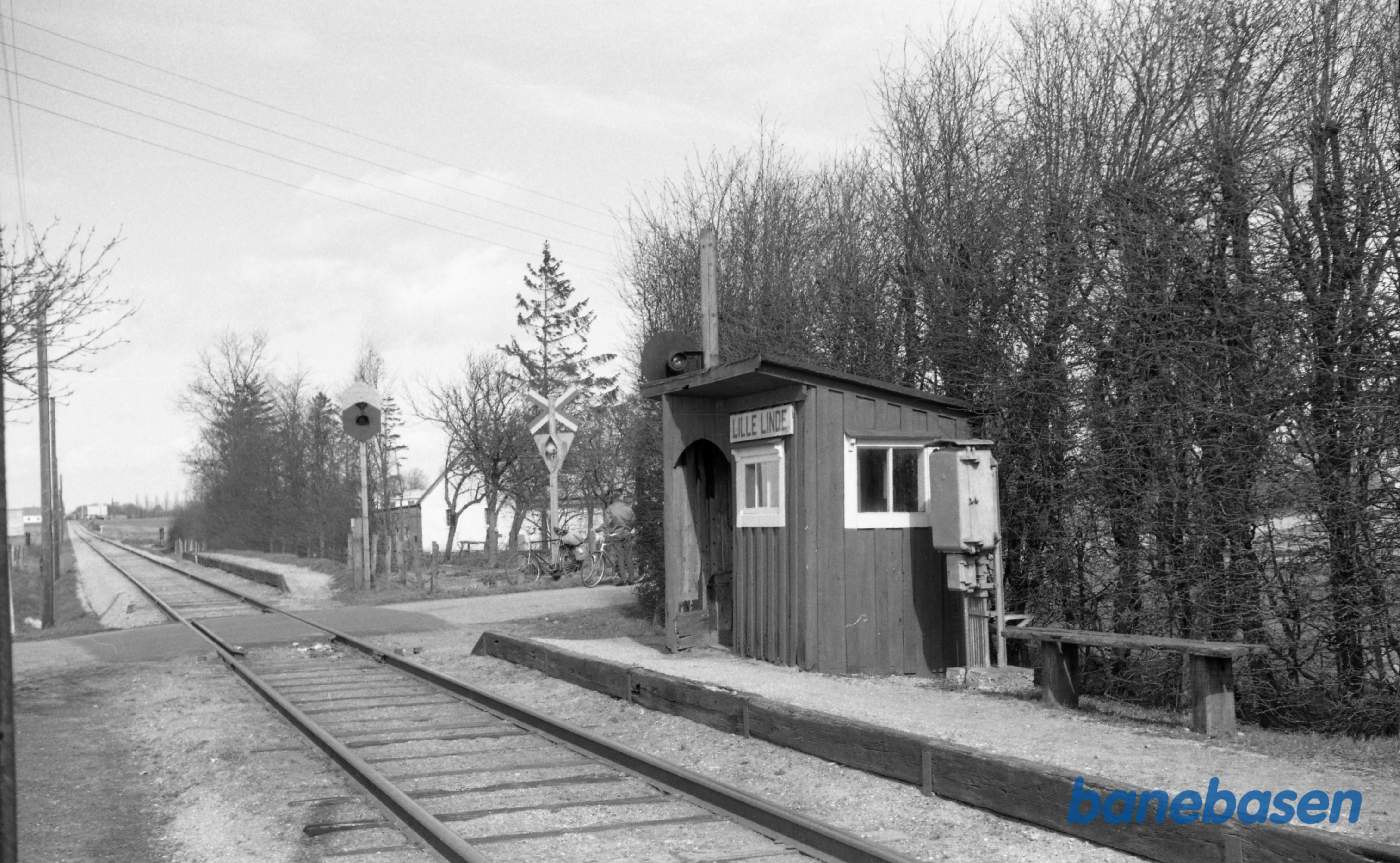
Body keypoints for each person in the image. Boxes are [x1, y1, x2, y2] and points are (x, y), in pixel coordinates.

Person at [601, 496, 637, 583]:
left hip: (616, 535)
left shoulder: (610, 509)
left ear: (613, 500)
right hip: (627, 534)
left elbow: (608, 522)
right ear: (621, 500)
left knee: (620, 557)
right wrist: (628, 529)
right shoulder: (628, 509)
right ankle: (631, 579)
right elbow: (633, 521)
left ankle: (623, 579)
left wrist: (608, 531)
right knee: (629, 557)